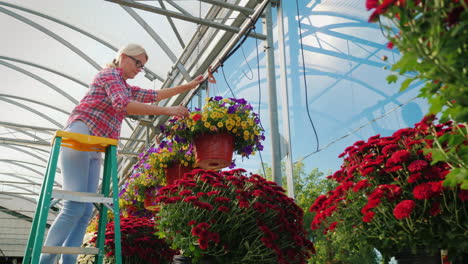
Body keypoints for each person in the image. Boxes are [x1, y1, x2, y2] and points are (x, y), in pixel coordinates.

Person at [39, 43, 205, 264]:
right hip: (80, 135)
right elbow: (123, 105)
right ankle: (44, 261)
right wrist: (168, 110)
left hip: (97, 144)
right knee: (73, 206)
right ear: (124, 57)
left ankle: (67, 262)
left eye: (143, 66)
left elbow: (154, 95)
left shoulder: (124, 85)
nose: (140, 69)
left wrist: (189, 86)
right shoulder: (109, 75)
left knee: (86, 210)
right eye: (138, 63)